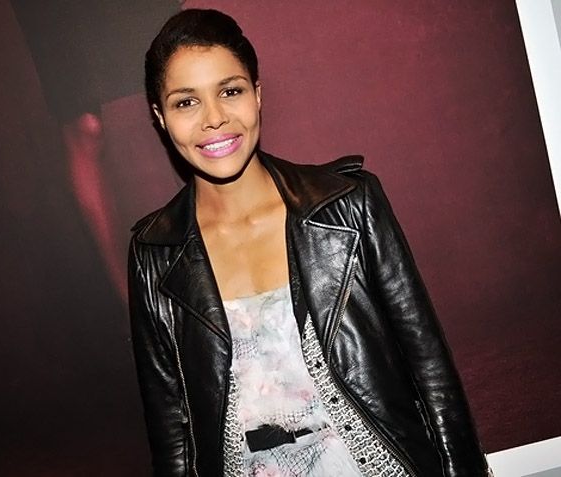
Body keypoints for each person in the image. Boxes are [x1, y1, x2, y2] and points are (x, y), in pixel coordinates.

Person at [129, 8, 492, 477]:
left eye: (230, 91)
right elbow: (172, 436)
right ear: (160, 118)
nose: (214, 119)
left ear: (257, 94)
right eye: (186, 102)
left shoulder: (348, 206)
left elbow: (431, 370)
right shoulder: (154, 254)